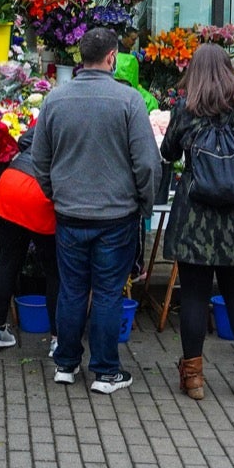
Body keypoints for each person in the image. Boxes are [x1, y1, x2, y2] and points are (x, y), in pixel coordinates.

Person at [31, 27, 161, 395]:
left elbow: (39, 159)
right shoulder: (129, 100)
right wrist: (144, 204)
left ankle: (66, 365)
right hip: (116, 216)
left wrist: (56, 193)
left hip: (70, 213)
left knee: (72, 289)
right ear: (112, 58)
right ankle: (105, 372)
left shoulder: (55, 99)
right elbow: (147, 164)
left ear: (80, 58)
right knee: (106, 292)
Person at [159, 45, 234, 400]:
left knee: (193, 296)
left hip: (195, 215)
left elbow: (168, 154)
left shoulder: (185, 109)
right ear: (229, 71)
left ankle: (193, 378)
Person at [0, 128, 60, 354]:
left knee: (8, 260)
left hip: (9, 183)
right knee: (55, 271)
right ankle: (58, 340)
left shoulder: (54, 107)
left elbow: (23, 140)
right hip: (40, 192)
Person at [114, 26, 160, 111]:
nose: (134, 42)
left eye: (135, 40)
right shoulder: (116, 51)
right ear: (125, 37)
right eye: (133, 39)